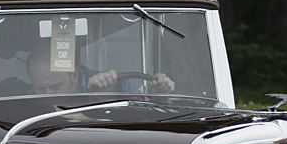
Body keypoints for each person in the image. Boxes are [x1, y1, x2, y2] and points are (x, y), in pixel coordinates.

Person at [26, 46, 175, 95]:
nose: (48, 95)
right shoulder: (24, 102)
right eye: (40, 89)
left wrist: (159, 96)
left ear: (75, 75)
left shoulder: (119, 87)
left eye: (55, 87)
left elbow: (144, 125)